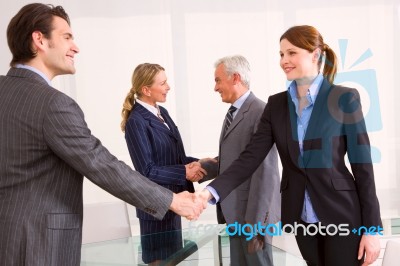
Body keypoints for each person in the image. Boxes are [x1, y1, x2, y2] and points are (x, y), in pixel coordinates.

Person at [0, 4, 205, 266]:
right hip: (39, 244)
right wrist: (172, 200)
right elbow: (101, 164)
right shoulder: (53, 104)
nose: (76, 47)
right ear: (39, 39)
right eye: (67, 37)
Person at [198, 25, 382, 266]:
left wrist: (372, 229)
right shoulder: (276, 106)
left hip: (343, 216)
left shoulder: (345, 98)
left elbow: (363, 167)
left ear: (315, 54)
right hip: (302, 219)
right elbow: (249, 159)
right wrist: (210, 193)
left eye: (291, 53)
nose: (284, 60)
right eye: (281, 54)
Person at [120, 63, 214, 265]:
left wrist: (199, 164)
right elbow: (147, 171)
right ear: (146, 90)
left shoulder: (161, 112)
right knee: (160, 262)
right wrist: (184, 172)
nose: (168, 87)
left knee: (173, 261)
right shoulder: (136, 121)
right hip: (155, 208)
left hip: (174, 201)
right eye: (163, 83)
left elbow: (175, 158)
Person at [210, 55, 280, 266]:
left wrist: (257, 224)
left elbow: (265, 171)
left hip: (252, 218)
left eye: (218, 80)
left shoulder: (260, 111)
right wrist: (204, 166)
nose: (215, 87)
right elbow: (238, 158)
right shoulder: (234, 111)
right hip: (236, 215)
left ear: (235, 78)